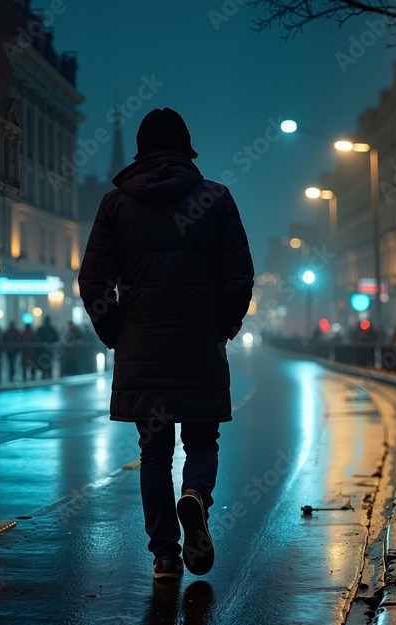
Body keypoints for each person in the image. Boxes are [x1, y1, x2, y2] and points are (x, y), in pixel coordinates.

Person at [78, 107, 254, 580]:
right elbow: (239, 277)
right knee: (202, 436)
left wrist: (117, 332)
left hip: (143, 347)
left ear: (140, 153)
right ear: (186, 150)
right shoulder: (216, 199)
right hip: (200, 344)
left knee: (154, 451)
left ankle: (163, 556)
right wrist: (223, 326)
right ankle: (194, 494)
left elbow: (94, 281)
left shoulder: (115, 206)